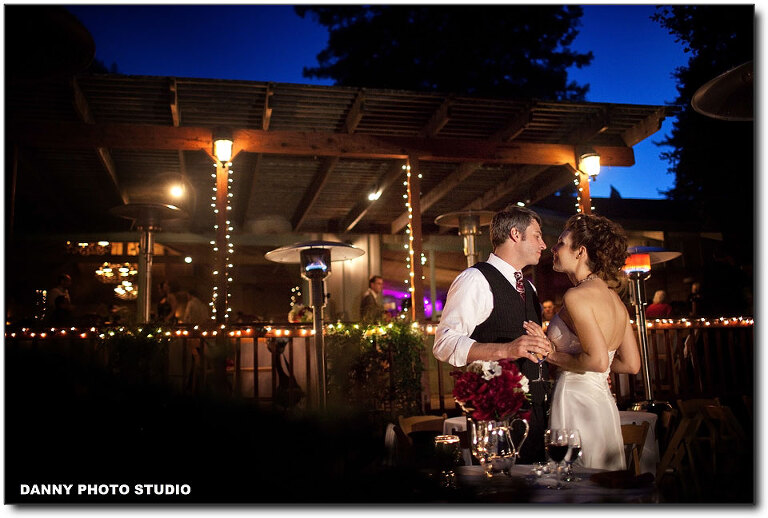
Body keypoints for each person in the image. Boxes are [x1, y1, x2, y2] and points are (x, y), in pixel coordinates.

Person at [433, 205, 553, 463]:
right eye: (537, 236)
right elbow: (444, 343)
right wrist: (507, 350)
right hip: (497, 417)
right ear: (515, 234)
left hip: (536, 412)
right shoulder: (474, 279)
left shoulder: (529, 287)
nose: (543, 244)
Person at [523, 213, 641, 470]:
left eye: (561, 243)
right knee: (602, 478)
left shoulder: (576, 296)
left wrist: (550, 353)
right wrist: (594, 368)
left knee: (574, 477)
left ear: (581, 252)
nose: (553, 248)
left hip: (575, 399)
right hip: (602, 402)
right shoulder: (615, 300)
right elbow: (630, 364)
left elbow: (597, 361)